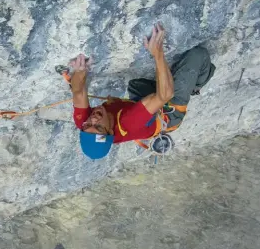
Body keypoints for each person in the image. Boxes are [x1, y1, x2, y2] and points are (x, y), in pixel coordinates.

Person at [70, 23, 215, 160]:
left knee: (136, 85)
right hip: (169, 113)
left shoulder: (83, 123)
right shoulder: (129, 123)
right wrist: (157, 53)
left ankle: (167, 81)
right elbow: (165, 96)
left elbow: (78, 92)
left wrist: (80, 72)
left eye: (88, 125)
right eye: (99, 127)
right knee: (198, 55)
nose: (93, 120)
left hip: (143, 106)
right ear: (110, 132)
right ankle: (196, 84)